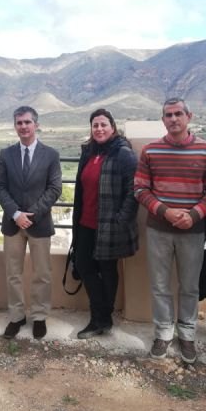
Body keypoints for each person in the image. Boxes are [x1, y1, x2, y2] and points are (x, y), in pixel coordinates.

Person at [134, 97, 206, 363]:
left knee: (189, 286)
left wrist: (194, 214)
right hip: (158, 229)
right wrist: (166, 211)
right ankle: (163, 333)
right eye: (168, 115)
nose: (173, 119)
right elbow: (140, 188)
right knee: (160, 285)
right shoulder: (150, 151)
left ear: (189, 116)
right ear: (163, 120)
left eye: (178, 114)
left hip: (193, 231)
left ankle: (186, 334)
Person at [0, 106, 62, 340]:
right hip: (13, 223)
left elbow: (55, 188)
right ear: (15, 126)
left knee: (41, 273)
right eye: (19, 123)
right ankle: (16, 316)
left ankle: (39, 316)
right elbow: (0, 187)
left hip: (39, 223)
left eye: (27, 122)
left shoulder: (51, 154)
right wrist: (16, 214)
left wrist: (31, 214)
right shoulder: (6, 154)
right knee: (13, 272)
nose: (23, 126)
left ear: (36, 124)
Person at [72, 108, 139, 339]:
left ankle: (101, 319)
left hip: (110, 225)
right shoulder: (89, 152)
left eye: (103, 124)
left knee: (107, 270)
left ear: (113, 127)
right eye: (95, 125)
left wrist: (121, 220)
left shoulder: (123, 154)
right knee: (83, 265)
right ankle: (100, 315)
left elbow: (134, 191)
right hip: (85, 223)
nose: (99, 129)